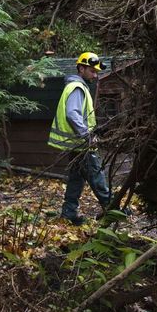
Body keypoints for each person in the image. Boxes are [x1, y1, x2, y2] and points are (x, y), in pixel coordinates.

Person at [48, 52, 110, 225]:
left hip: (76, 145)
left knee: (76, 180)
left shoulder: (75, 86)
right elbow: (72, 114)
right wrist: (87, 136)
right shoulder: (77, 88)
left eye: (96, 72)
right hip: (82, 144)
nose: (95, 75)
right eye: (92, 71)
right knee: (97, 176)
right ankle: (112, 209)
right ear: (81, 68)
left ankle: (68, 213)